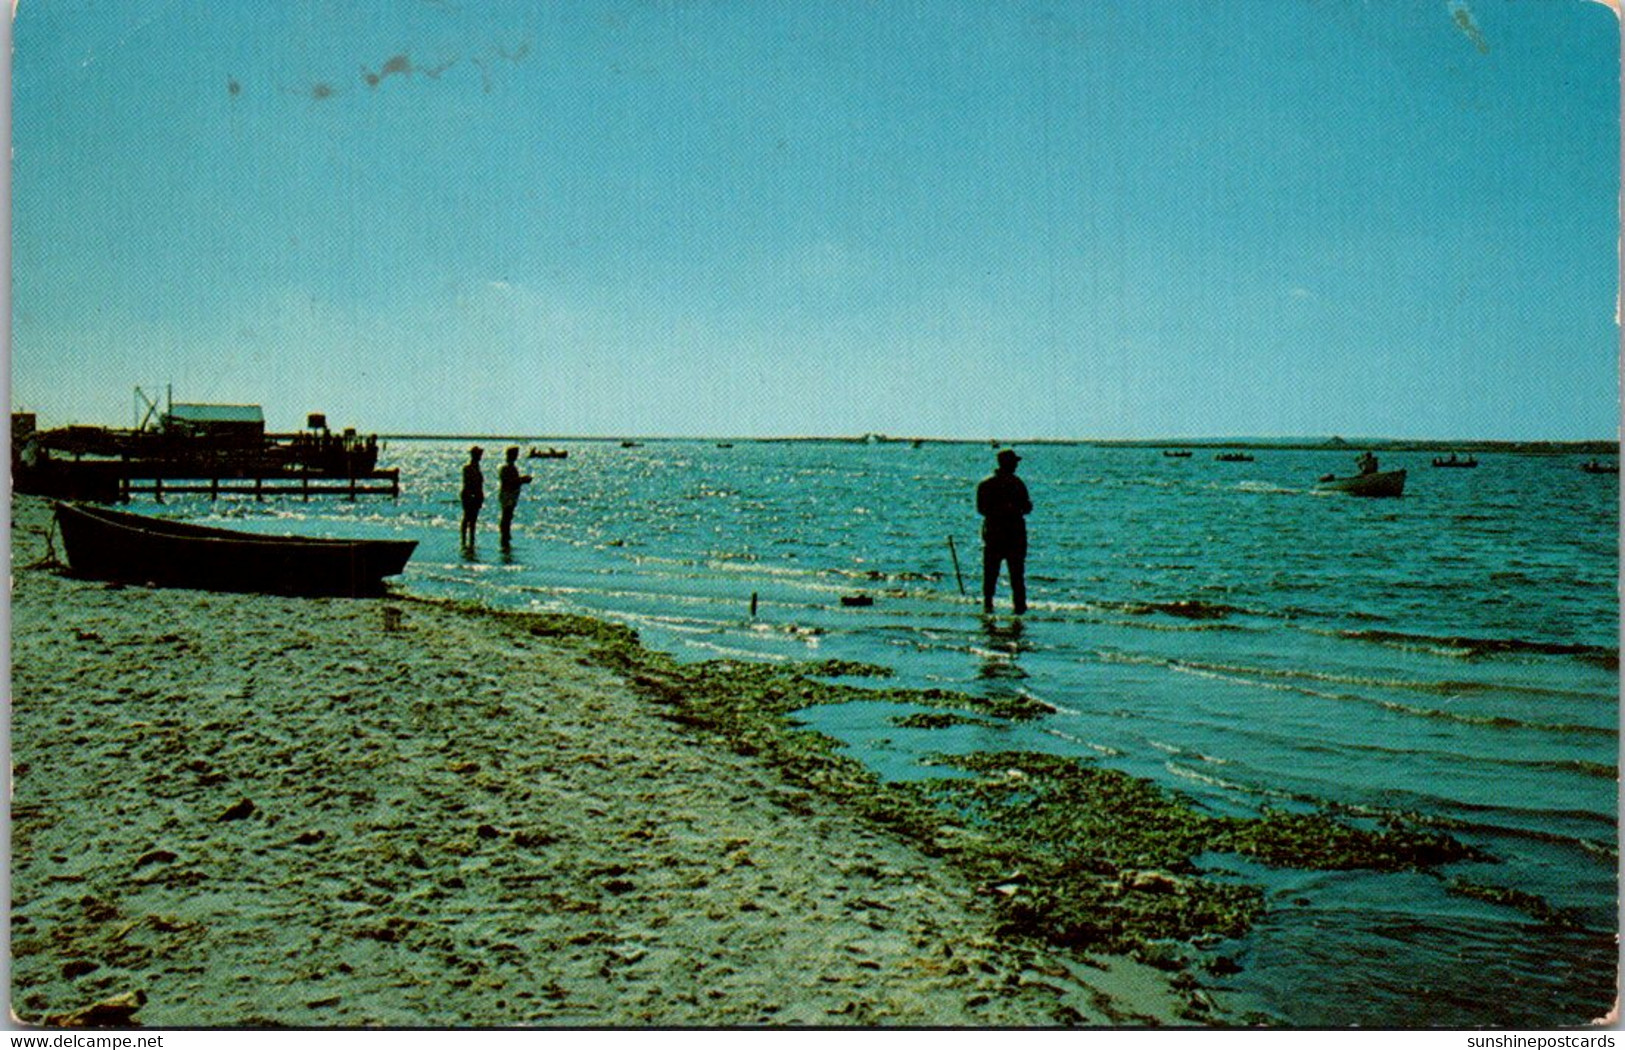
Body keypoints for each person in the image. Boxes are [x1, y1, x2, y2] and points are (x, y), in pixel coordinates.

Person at [977, 448, 1032, 616]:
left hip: (995, 535)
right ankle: (1018, 609)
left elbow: (981, 509)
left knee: (991, 574)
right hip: (1012, 536)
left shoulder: (986, 483)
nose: (1016, 465)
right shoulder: (1016, 483)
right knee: (1015, 576)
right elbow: (1027, 507)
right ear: (1007, 463)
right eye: (1014, 462)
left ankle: (989, 607)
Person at [497, 446, 533, 548]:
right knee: (507, 516)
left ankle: (505, 535)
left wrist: (521, 480)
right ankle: (505, 536)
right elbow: (511, 482)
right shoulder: (508, 468)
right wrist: (523, 480)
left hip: (507, 494)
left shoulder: (507, 467)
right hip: (508, 495)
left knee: (507, 516)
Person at [460, 446, 485, 547]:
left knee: (472, 519)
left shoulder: (475, 468)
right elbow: (469, 483)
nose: (480, 456)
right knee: (468, 518)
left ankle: (470, 540)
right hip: (469, 495)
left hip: (474, 495)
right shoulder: (468, 468)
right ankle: (465, 540)